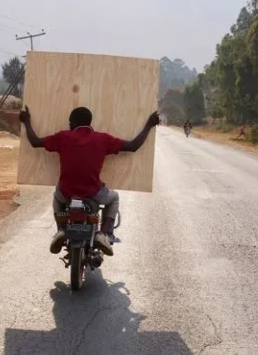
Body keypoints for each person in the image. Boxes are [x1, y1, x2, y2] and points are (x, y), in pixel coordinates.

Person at [19, 106, 159, 257]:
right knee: (114, 198)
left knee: (57, 197)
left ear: (72, 123)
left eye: (69, 122)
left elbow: (35, 142)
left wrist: (26, 121)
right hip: (93, 193)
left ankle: (60, 230)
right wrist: (149, 124)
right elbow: (133, 146)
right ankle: (104, 234)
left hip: (67, 193)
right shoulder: (103, 139)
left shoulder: (63, 137)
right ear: (89, 122)